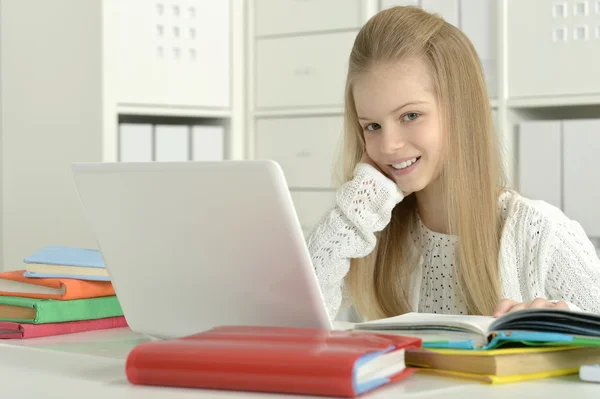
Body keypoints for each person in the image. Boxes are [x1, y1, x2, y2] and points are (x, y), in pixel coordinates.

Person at [307, 6, 600, 322]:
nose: (388, 145)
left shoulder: (540, 232)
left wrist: (566, 325)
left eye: (411, 116)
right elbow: (293, 324)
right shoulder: (369, 230)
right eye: (372, 126)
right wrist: (353, 211)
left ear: (461, 112)